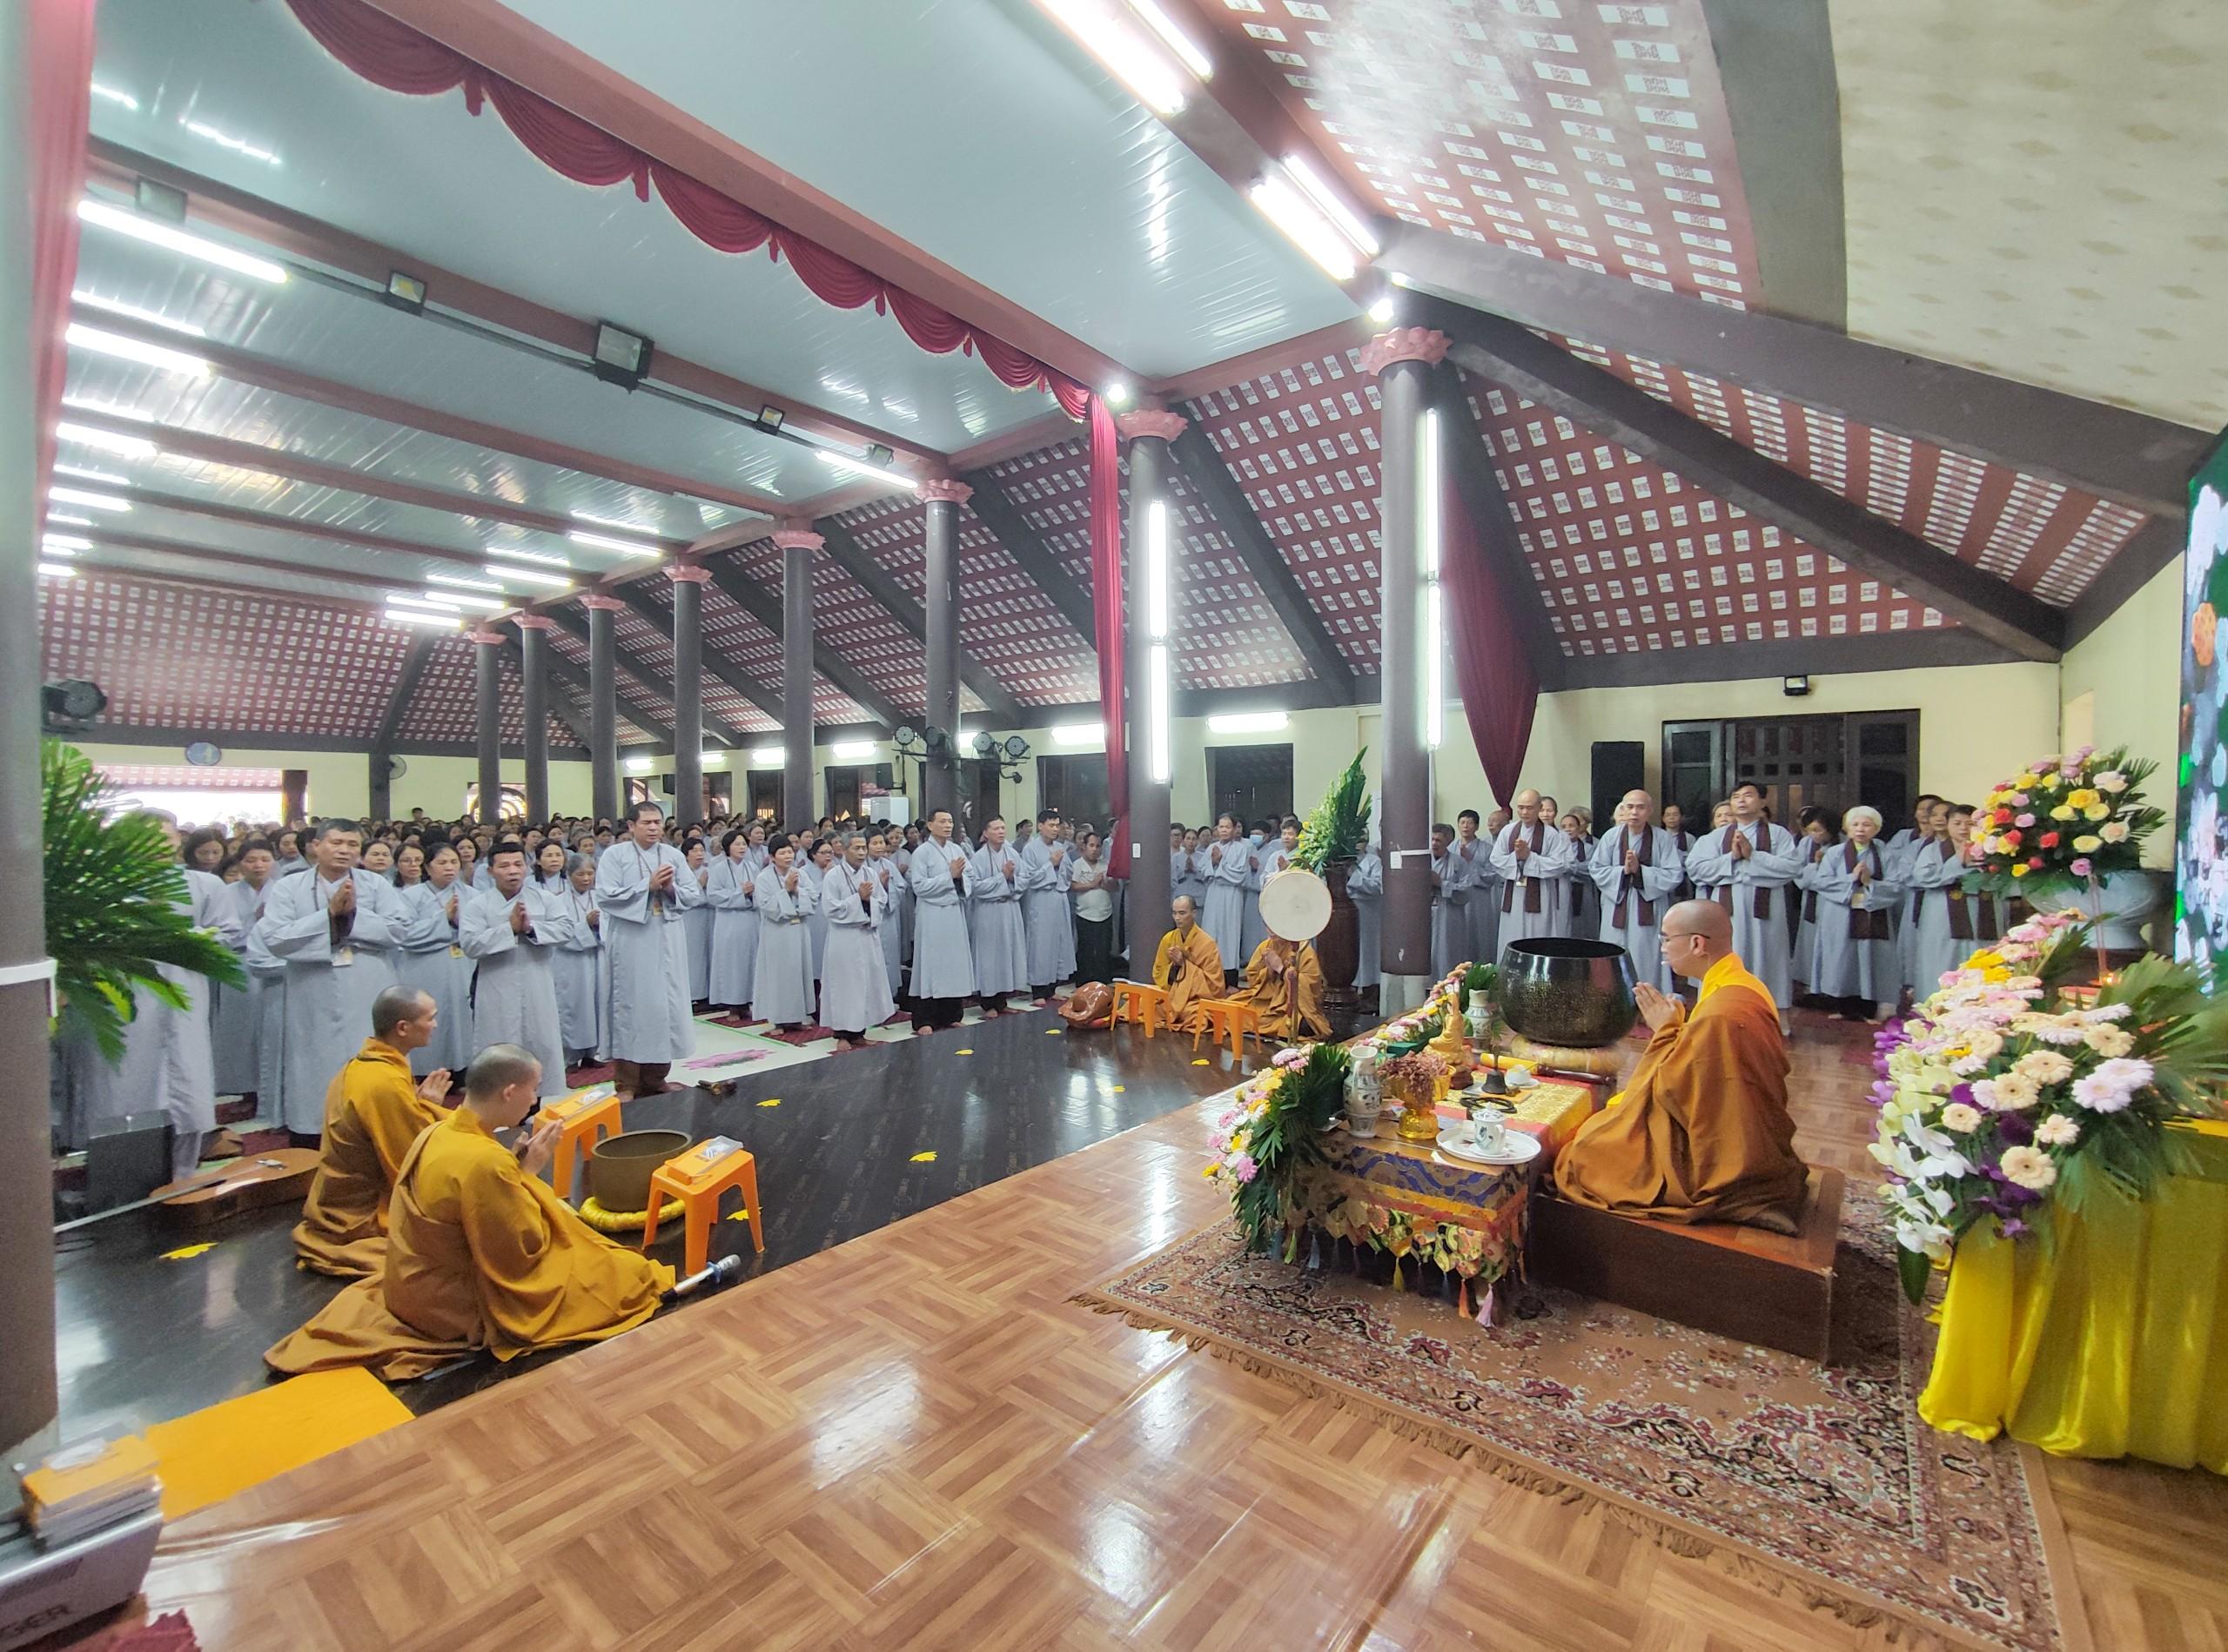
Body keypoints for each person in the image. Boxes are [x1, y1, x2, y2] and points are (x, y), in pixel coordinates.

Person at [265, 1044, 673, 1380]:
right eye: (533, 1090)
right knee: (625, 1276)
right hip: (452, 1304)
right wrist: (529, 1175)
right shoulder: (484, 1161)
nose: (535, 1099)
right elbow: (520, 1251)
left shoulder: (438, 1129)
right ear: (509, 1092)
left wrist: (515, 1173)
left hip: (409, 1282)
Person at [1554, 900, 1808, 1232]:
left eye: (1667, 938)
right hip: (1735, 1131)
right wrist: (1679, 1031)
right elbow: (1704, 1073)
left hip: (1720, 1153)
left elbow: (1672, 1089)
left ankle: (1736, 1196)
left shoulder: (1720, 1014)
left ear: (1697, 944)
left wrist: (1666, 1031)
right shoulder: (1744, 984)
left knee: (1586, 1154)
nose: (1662, 947)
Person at [64, 813, 240, 1178]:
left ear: (178, 840)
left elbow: (228, 933)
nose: (159, 844)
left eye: (166, 836)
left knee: (186, 1085)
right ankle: (119, 1178)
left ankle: (182, 1174)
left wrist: (183, 939)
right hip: (124, 997)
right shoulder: (102, 886)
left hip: (182, 994)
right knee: (123, 1085)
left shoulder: (205, 885)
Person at [256, 819, 407, 1140]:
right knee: (313, 1062)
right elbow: (275, 938)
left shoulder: (375, 884)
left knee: (368, 1055)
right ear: (316, 846)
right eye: (336, 843)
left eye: (352, 845)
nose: (344, 851)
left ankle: (373, 1132)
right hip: (312, 987)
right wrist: (328, 917)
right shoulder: (289, 886)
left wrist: (352, 917)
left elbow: (398, 929)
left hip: (366, 983)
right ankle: (312, 1131)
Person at [292, 986, 452, 1279]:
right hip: (360, 1215)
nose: (435, 1025)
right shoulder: (383, 1083)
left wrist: (421, 1108)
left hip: (336, 1199)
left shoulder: (364, 1064)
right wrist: (430, 1109)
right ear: (403, 1028)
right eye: (430, 1018)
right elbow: (408, 1160)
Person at [594, 802, 701, 1100]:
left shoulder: (672, 855)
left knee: (664, 1007)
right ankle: (627, 1083)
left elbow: (693, 893)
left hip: (667, 937)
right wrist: (648, 886)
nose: (654, 828)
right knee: (632, 1008)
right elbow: (605, 896)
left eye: (658, 822)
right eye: (647, 822)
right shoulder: (615, 855)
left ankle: (656, 1078)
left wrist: (670, 890)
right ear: (631, 826)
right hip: (632, 940)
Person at [1683, 782, 1804, 1034]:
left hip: (1765, 912)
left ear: (1762, 802)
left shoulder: (1778, 835)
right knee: (1726, 958)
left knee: (1769, 960)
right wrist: (1732, 859)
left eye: (1748, 795)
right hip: (1726, 912)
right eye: (1736, 796)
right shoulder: (1715, 837)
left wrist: (1753, 856)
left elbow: (1792, 868)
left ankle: (1775, 1016)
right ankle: (1718, 1015)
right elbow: (1695, 869)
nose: (1741, 800)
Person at [462, 841, 572, 1097]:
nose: (512, 871)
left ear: (527, 867)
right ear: (490, 871)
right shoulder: (478, 905)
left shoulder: (544, 899)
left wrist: (531, 929)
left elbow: (566, 929)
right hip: (496, 984)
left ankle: (538, 1101)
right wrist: (509, 930)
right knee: (500, 1045)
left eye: (517, 864)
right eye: (504, 866)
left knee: (540, 1041)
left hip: (537, 981)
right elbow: (470, 944)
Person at [1804, 805, 1902, 1021]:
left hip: (1872, 913)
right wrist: (1851, 879)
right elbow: (1821, 882)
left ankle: (1869, 1009)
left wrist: (1870, 882)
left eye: (1866, 825)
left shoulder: (1885, 854)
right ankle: (1843, 1007)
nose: (1860, 829)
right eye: (1855, 824)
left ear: (1876, 829)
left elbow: (1896, 886)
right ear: (1847, 828)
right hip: (1840, 914)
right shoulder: (1835, 853)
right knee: (1842, 958)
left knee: (1871, 959)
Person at [1589, 790, 1686, 992]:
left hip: (1649, 905)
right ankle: (1613, 996)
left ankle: (1648, 996)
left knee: (1646, 952)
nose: (1634, 812)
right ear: (1622, 809)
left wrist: (1641, 872)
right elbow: (1596, 869)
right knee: (1613, 949)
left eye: (1640, 807)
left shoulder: (1662, 838)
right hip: (1617, 903)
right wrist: (1623, 871)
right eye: (1630, 807)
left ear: (1650, 811)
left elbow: (1674, 873)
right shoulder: (1611, 837)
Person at [394, 844, 474, 1082]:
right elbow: (404, 934)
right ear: (428, 868)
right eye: (442, 863)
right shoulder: (410, 896)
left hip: (462, 964)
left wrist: (459, 924)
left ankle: (462, 1071)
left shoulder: (472, 894)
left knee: (461, 1017)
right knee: (428, 1016)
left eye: (453, 862)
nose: (449, 867)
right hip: (425, 966)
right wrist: (443, 919)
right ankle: (425, 1071)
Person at [1907, 802, 1990, 1001]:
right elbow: (1922, 877)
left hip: (1980, 914)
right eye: (1957, 823)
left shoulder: (1989, 850)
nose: (1963, 828)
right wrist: (1957, 863)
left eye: (1970, 824)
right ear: (1948, 825)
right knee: (1940, 957)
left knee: (1979, 954)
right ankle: (1934, 1003)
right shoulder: (1931, 850)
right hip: (1941, 915)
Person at [211, 838, 273, 1102]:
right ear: (240, 863)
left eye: (265, 859)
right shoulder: (227, 893)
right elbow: (222, 932)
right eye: (251, 860)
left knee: (271, 1026)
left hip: (275, 963)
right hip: (239, 963)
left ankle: (270, 1086)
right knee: (239, 1027)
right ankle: (241, 1085)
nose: (259, 865)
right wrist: (254, 922)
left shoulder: (283, 890)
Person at [821, 833, 895, 1048]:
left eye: (864, 848)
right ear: (844, 850)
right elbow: (830, 908)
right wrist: (859, 899)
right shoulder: (833, 876)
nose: (862, 852)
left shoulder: (870, 873)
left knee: (864, 985)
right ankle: (842, 1034)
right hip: (844, 938)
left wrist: (868, 904)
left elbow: (881, 902)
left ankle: (859, 1031)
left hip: (866, 935)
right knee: (845, 985)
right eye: (857, 848)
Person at [907, 809, 976, 1032]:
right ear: (930, 825)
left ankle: (951, 1014)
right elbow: (919, 886)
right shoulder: (922, 853)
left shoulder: (957, 849)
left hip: (953, 912)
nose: (948, 826)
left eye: (950, 821)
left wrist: (959, 879)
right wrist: (949, 876)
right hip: (932, 914)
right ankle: (925, 1019)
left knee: (953, 964)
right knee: (931, 965)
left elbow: (970, 877)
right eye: (943, 821)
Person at [1491, 789, 1576, 945]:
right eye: (1521, 807)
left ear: (1539, 807)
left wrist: (1529, 858)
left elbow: (1559, 864)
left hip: (1541, 895)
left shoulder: (1551, 834)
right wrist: (1516, 857)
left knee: (1538, 935)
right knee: (1512, 934)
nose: (1524, 812)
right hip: (1514, 894)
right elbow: (1495, 859)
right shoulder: (1508, 831)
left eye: (1529, 808)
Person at [751, 835, 816, 1031]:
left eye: (789, 852)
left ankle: (798, 1017)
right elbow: (766, 906)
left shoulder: (800, 874)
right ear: (772, 857)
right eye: (782, 853)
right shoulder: (764, 877)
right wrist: (786, 891)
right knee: (779, 975)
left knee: (799, 972)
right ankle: (778, 1019)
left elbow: (813, 897)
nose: (788, 856)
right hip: (777, 932)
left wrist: (797, 892)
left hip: (799, 930)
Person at [968, 816, 1028, 1015]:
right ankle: (987, 1003)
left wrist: (1011, 881)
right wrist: (1002, 878)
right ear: (986, 833)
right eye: (996, 828)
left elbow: (1025, 878)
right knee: (989, 957)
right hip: (988, 911)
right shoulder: (978, 858)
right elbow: (975, 887)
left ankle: (1002, 1001)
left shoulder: (1012, 853)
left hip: (1009, 908)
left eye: (1003, 827)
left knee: (1006, 955)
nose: (1001, 832)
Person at [1017, 811, 1077, 1003]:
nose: (1055, 829)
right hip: (1041, 899)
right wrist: (1050, 865)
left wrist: (1060, 867)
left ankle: (1052, 988)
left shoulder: (1060, 847)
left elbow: (1069, 873)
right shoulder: (1030, 849)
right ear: (1040, 826)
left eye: (1057, 825)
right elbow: (1029, 878)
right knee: (1041, 944)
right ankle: (1038, 990)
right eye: (1051, 825)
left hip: (1059, 898)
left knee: (1059, 942)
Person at [553, 854, 602, 1070]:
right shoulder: (558, 902)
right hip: (570, 961)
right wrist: (586, 925)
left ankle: (592, 1053)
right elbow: (559, 934)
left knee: (596, 1004)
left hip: (597, 959)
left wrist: (599, 927)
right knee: (573, 1005)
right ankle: (570, 1056)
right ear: (569, 875)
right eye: (580, 874)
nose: (586, 878)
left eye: (590, 873)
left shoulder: (600, 897)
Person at [1151, 895, 1224, 1034]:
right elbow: (1158, 972)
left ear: (1194, 913)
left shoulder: (1207, 944)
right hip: (1172, 996)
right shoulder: (1168, 939)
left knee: (1198, 1018)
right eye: (1174, 913)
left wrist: (1185, 965)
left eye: (1182, 913)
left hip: (1195, 1000)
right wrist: (1174, 967)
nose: (1177, 918)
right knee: (1141, 1005)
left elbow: (1214, 985)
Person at [1238, 931, 1329, 1043]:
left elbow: (1310, 988)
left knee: (1301, 1024)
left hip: (1295, 1008)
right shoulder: (1265, 946)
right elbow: (1253, 981)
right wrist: (1268, 972)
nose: (1271, 930)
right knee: (1233, 1010)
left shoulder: (1303, 950)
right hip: (1266, 1004)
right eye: (1268, 926)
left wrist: (1281, 969)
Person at [707, 829, 758, 1017]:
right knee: (730, 962)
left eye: (744, 844)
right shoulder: (718, 868)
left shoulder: (752, 867)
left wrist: (752, 895)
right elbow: (713, 895)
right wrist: (740, 892)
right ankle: (732, 1005)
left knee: (749, 961)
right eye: (737, 844)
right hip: (728, 921)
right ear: (728, 847)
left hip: (749, 920)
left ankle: (747, 1001)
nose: (742, 847)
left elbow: (761, 892)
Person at [1198, 814, 1252, 984]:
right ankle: (1210, 972)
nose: (1224, 830)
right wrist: (1213, 864)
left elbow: (1240, 874)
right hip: (1214, 893)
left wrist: (1221, 863)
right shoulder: (1211, 848)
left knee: (1230, 933)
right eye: (1221, 827)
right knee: (1211, 930)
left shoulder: (1240, 849)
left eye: (1228, 827)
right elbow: (1202, 870)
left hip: (1231, 894)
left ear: (1234, 829)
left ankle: (1230, 977)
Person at [1453, 808, 1499, 974]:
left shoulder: (1487, 849)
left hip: (1479, 900)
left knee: (1479, 935)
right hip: (1457, 900)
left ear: (1477, 826)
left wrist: (1470, 861)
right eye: (1462, 822)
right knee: (1457, 936)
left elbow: (1491, 877)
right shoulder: (1450, 848)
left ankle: (1481, 973)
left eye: (1470, 823)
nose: (1466, 826)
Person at [1069, 831, 1116, 986]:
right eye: (1091, 845)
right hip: (1085, 914)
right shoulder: (1077, 865)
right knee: (1085, 949)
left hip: (1104, 913)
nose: (1095, 849)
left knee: (1103, 949)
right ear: (1085, 846)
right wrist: (1092, 884)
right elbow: (1073, 886)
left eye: (1098, 846)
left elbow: (1115, 887)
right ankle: (1083, 982)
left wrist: (1106, 884)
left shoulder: (1106, 865)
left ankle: (1103, 981)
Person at [865, 830, 906, 1001]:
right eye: (875, 843)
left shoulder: (888, 865)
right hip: (868, 920)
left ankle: (890, 996)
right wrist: (878, 886)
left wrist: (887, 887)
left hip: (887, 919)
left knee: (888, 956)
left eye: (881, 842)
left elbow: (901, 887)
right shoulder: (861, 867)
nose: (879, 847)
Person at [1429, 822, 1470, 977]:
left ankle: (1448, 984)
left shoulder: (1459, 862)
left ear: (1448, 841)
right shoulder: (1422, 861)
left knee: (1446, 953)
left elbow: (1466, 891)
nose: (1434, 843)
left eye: (1438, 840)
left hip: (1449, 915)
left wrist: (1442, 884)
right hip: (1425, 913)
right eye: (1432, 839)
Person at [1348, 834, 1384, 1009]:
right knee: (1349, 951)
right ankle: (1350, 990)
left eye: (1361, 840)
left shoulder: (1374, 861)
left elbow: (1378, 886)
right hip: (1345, 912)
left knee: (1368, 952)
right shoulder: (1343, 861)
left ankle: (1370, 995)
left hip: (1368, 913)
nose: (1357, 844)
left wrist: (1354, 876)